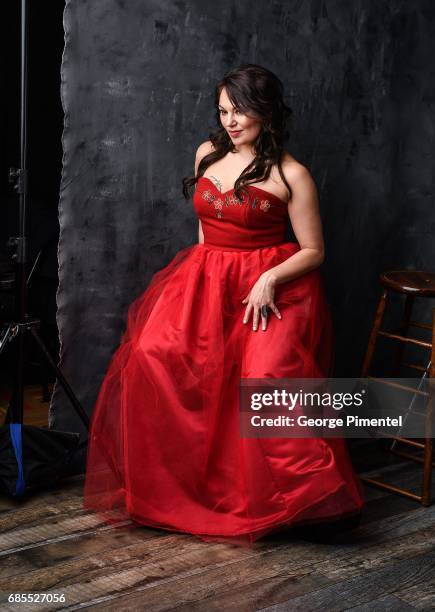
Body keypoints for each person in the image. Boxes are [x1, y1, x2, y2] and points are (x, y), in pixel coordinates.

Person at [83, 63, 365, 546]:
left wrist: (269, 278)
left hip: (271, 287)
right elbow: (205, 228)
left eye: (240, 111)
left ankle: (307, 501)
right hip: (207, 275)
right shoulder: (207, 155)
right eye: (223, 111)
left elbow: (315, 250)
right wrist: (200, 276)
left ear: (267, 112)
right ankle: (173, 491)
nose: (231, 121)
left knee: (266, 380)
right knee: (152, 356)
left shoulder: (292, 173)